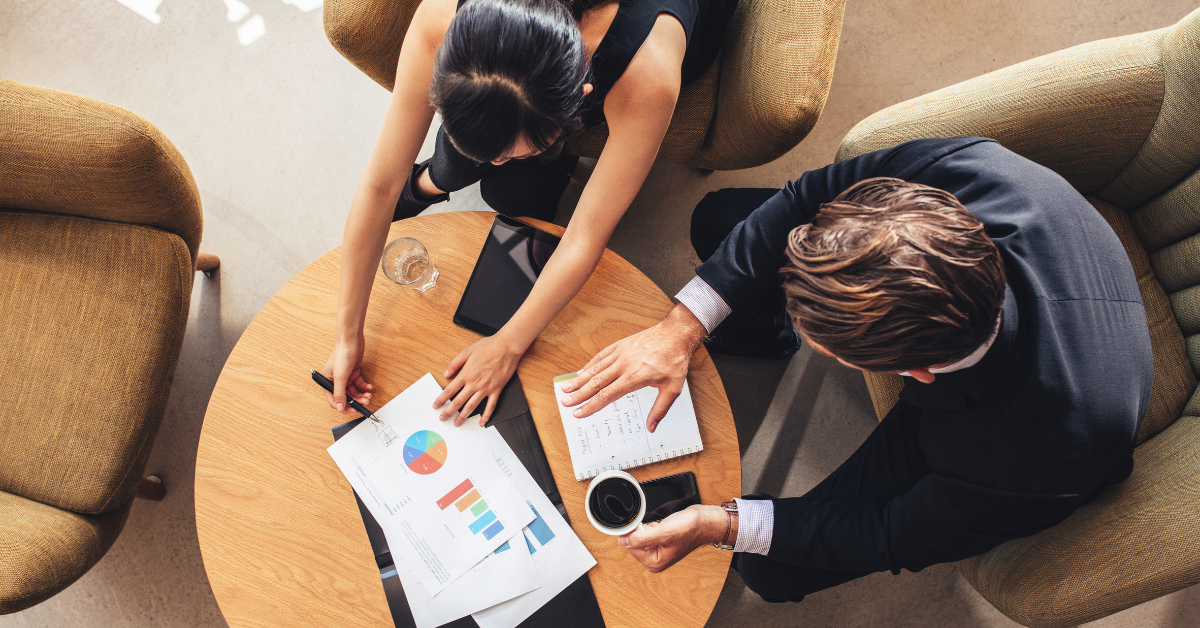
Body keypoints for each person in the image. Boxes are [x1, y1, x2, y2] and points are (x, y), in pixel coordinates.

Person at [558, 137, 1152, 601]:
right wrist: (680, 329)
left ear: (914, 375)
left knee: (774, 573)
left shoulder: (1020, 462)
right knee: (721, 218)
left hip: (1018, 426)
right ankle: (761, 331)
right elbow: (801, 199)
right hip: (1030, 305)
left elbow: (889, 533)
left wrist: (724, 523)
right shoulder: (967, 173)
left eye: (821, 340)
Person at [321, 0, 737, 423]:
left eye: (515, 151)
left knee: (513, 194)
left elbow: (583, 238)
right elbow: (380, 185)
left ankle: (502, 168)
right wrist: (347, 332)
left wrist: (508, 345)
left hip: (671, 32)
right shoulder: (443, 19)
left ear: (579, 99)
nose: (497, 161)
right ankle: (441, 176)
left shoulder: (648, 72)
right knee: (487, 177)